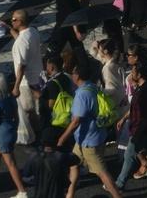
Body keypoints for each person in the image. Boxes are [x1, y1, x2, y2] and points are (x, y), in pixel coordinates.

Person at [56, 60, 124, 198]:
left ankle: (118, 196)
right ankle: (70, 194)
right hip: (94, 135)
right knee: (74, 164)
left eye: (73, 72)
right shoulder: (92, 87)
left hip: (88, 141)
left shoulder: (82, 95)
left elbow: (76, 121)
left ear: (77, 76)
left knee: (102, 172)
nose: (72, 75)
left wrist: (62, 138)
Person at [5, 9, 42, 146]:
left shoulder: (21, 41)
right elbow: (24, 44)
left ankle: (36, 138)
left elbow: (21, 66)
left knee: (28, 111)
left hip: (27, 83)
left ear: (20, 21)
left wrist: (16, 87)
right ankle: (38, 135)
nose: (11, 21)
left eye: (14, 19)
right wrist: (12, 31)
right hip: (38, 77)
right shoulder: (33, 32)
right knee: (36, 109)